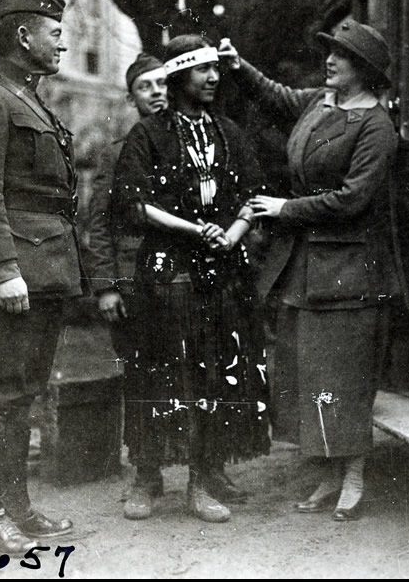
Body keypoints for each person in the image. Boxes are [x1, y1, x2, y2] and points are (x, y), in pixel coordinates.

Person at [218, 20, 404, 521]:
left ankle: (355, 475)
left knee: (344, 374)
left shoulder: (376, 126)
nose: (329, 61)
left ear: (363, 69)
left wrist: (284, 210)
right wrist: (239, 68)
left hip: (348, 269)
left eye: (340, 56)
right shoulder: (321, 103)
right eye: (329, 53)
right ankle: (326, 472)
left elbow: (353, 199)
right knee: (307, 372)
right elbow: (276, 97)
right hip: (305, 266)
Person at [109, 34, 270, 523]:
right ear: (180, 77)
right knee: (160, 371)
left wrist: (233, 232)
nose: (214, 78)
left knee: (215, 369)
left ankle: (202, 480)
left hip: (222, 270)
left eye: (217, 70)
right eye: (203, 71)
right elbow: (135, 203)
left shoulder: (228, 132)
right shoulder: (148, 135)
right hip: (167, 272)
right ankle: (146, 476)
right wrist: (195, 230)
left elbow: (254, 193)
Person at [0, 0, 81, 554]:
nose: (64, 44)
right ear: (24, 36)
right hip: (8, 274)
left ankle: (19, 507)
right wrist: (5, 270)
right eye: (55, 33)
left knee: (23, 395)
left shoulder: (31, 100)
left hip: (44, 268)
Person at [87, 53, 167, 323]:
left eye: (162, 83)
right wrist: (106, 286)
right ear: (132, 99)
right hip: (133, 277)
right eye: (145, 87)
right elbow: (99, 221)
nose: (156, 92)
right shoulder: (117, 154)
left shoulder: (197, 143)